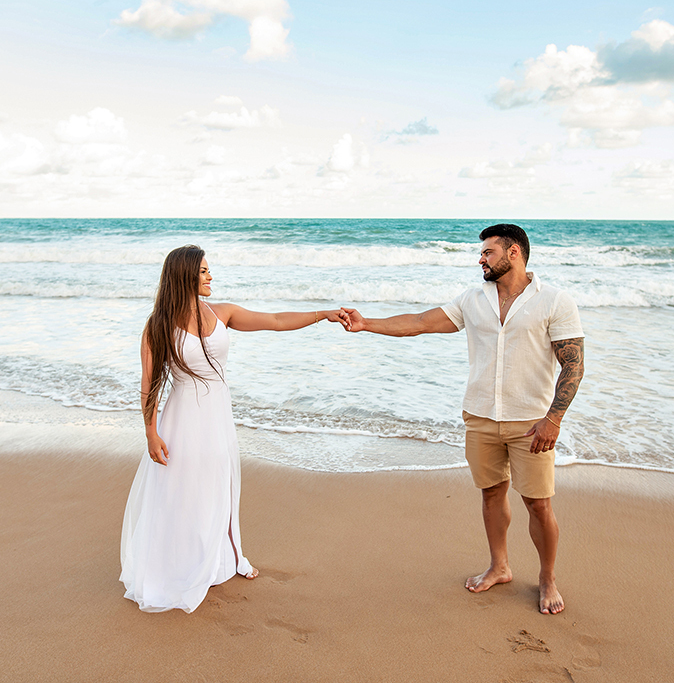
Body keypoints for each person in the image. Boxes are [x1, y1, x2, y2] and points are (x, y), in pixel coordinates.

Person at [340, 224, 584, 614]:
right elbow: (420, 323)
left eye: (488, 252)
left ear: (514, 253)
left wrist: (553, 419)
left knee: (538, 504)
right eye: (481, 253)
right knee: (491, 493)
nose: (481, 259)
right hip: (480, 416)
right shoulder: (472, 299)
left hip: (531, 422)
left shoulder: (554, 300)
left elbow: (573, 364)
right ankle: (499, 566)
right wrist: (367, 323)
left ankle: (547, 578)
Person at [120, 245, 346, 613]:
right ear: (185, 276)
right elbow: (149, 385)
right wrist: (151, 432)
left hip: (217, 417)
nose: (211, 276)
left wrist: (323, 314)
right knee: (184, 492)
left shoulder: (221, 312)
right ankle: (181, 565)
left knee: (219, 485)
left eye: (210, 270)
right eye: (204, 271)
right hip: (181, 421)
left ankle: (226, 556)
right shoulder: (157, 325)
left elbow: (274, 320)